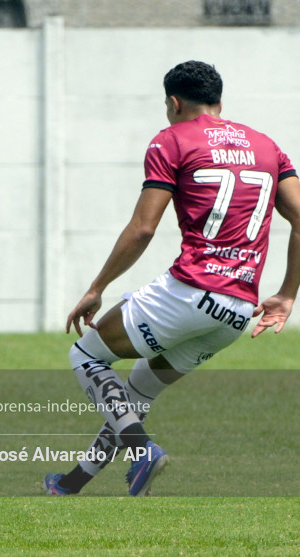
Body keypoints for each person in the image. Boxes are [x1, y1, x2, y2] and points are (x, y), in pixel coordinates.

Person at [43, 60, 300, 496]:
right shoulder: (266, 146)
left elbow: (143, 228)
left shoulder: (172, 139)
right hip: (238, 311)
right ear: (220, 101)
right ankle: (70, 485)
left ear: (174, 102)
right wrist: (287, 294)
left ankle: (142, 451)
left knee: (86, 358)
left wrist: (96, 288)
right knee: (136, 396)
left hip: (191, 290)